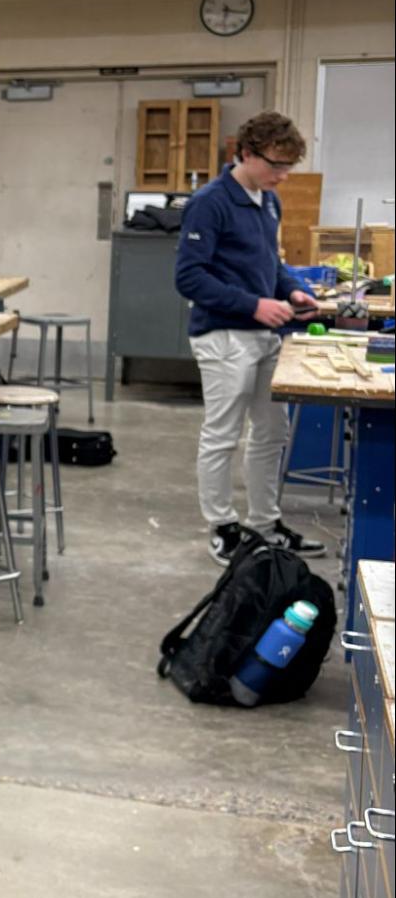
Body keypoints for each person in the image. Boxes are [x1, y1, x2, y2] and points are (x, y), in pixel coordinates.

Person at [175, 110, 325, 565]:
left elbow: (269, 263)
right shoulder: (212, 201)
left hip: (265, 335)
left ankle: (264, 522)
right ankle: (222, 526)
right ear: (245, 152)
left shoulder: (268, 201)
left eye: (287, 167)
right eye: (275, 165)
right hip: (224, 337)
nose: (282, 175)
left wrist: (290, 289)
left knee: (271, 434)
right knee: (223, 435)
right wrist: (253, 304)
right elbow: (189, 277)